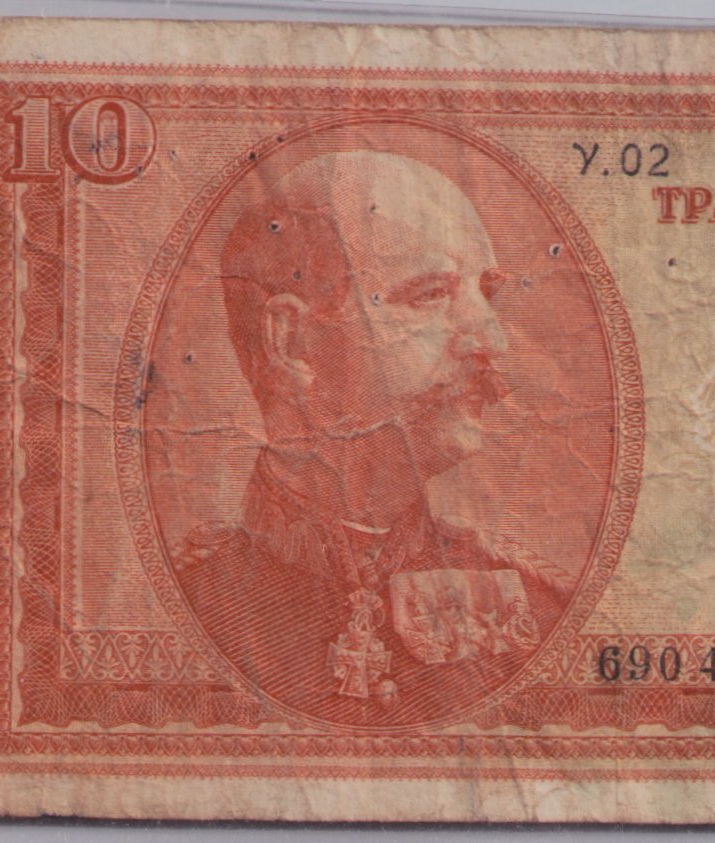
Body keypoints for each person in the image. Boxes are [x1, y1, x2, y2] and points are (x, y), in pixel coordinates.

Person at [174, 150, 562, 727]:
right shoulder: (187, 607)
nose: (493, 340)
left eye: (487, 294)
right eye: (430, 295)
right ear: (291, 341)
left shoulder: (537, 610)